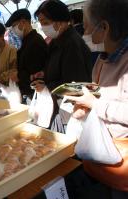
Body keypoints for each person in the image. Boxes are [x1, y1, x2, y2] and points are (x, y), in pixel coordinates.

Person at [65, 0, 128, 198]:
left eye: (85, 27)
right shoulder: (102, 60)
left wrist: (95, 104)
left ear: (104, 28)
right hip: (105, 152)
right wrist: (84, 109)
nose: (83, 34)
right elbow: (97, 98)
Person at [33, 0, 92, 133]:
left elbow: (76, 85)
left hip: (70, 111)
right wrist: (44, 74)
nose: (42, 27)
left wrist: (47, 87)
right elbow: (60, 68)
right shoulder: (58, 40)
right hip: (61, 107)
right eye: (41, 23)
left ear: (60, 21)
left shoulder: (71, 44)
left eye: (46, 22)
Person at [5, 9, 48, 101]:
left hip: (38, 94)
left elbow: (36, 73)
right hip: (31, 92)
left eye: (13, 26)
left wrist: (18, 75)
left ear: (23, 22)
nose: (12, 30)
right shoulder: (27, 41)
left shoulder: (35, 42)